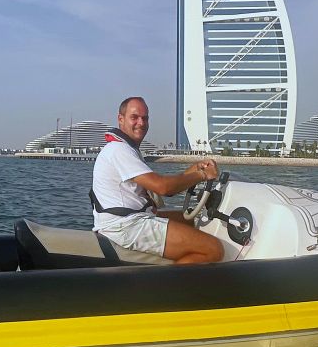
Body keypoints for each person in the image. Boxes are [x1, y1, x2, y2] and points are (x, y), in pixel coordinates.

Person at [92, 97, 223, 264]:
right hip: (125, 226)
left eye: (145, 118)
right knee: (213, 249)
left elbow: (166, 185)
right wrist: (203, 175)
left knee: (190, 220)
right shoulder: (119, 150)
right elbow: (164, 188)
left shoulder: (126, 148)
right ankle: (167, 288)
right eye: (135, 117)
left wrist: (196, 169)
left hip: (130, 219)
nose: (141, 122)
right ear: (121, 119)